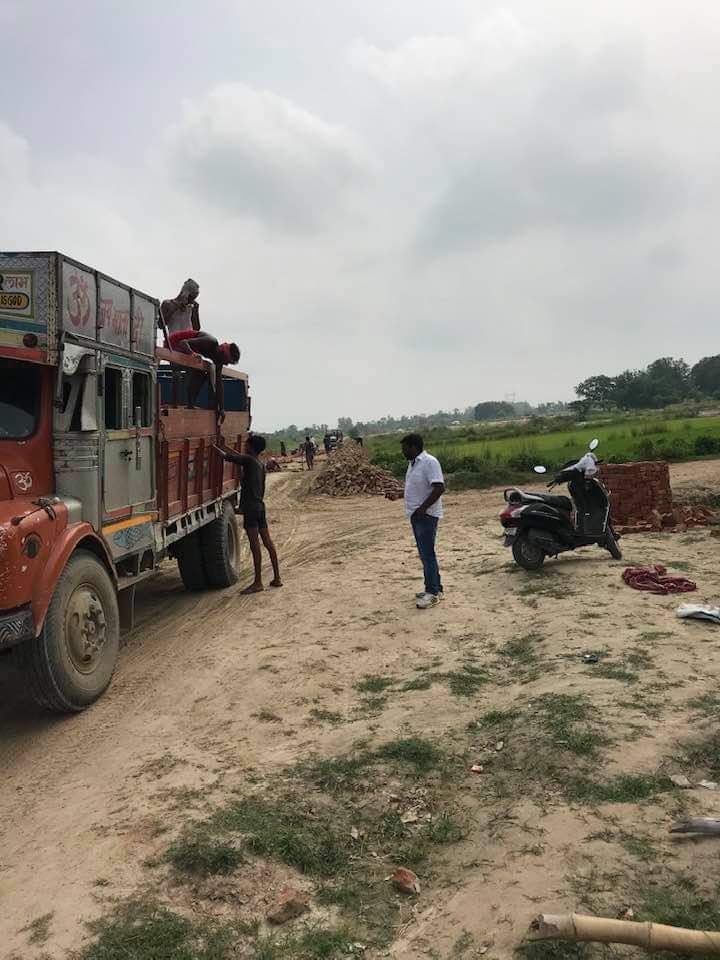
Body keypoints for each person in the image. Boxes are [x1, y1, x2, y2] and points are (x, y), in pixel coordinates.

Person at [214, 434, 282, 594]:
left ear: (251, 447)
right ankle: (277, 578)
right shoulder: (259, 463)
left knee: (255, 545)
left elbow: (227, 457)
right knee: (268, 543)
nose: (244, 446)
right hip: (260, 507)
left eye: (246, 444)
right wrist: (224, 446)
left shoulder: (249, 461)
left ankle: (258, 583)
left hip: (251, 509)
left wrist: (213, 447)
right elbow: (238, 456)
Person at [393, 434, 445, 609]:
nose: (403, 452)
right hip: (416, 515)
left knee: (427, 554)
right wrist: (398, 495)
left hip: (426, 516)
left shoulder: (429, 462)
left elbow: (439, 488)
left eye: (405, 448)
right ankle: (436, 588)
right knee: (425, 554)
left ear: (414, 447)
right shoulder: (413, 464)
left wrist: (423, 508)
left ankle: (432, 593)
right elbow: (415, 488)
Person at [168, 328, 240, 422]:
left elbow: (218, 383)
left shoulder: (218, 359)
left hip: (183, 349)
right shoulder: (210, 342)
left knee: (203, 371)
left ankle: (190, 405)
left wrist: (222, 408)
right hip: (173, 343)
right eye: (226, 361)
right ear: (221, 353)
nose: (226, 364)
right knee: (197, 369)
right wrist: (192, 354)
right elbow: (183, 343)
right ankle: (180, 404)